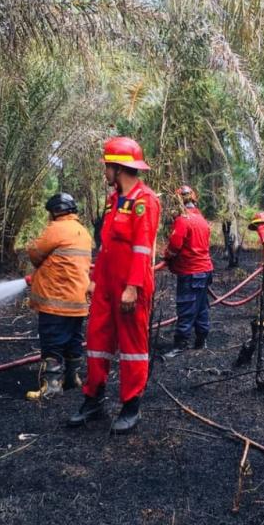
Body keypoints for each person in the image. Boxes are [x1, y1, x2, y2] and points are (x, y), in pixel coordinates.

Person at [69, 136, 161, 433]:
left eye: (107, 166)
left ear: (118, 168)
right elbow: (107, 246)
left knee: (132, 347)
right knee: (97, 341)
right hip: (106, 285)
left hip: (130, 287)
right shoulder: (113, 202)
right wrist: (95, 281)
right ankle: (94, 398)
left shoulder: (144, 202)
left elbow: (143, 249)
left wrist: (132, 287)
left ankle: (131, 405)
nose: (104, 172)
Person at [24, 192, 92, 400]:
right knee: (73, 340)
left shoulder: (56, 229)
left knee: (52, 342)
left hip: (56, 302)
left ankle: (52, 385)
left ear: (55, 211)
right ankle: (72, 378)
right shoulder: (83, 231)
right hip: (78, 301)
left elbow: (34, 253)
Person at [163, 185, 214, 356]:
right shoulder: (201, 219)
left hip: (191, 271)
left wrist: (167, 256)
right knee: (201, 306)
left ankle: (181, 343)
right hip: (205, 270)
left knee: (186, 306)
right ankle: (201, 340)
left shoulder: (183, 220)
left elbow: (175, 245)